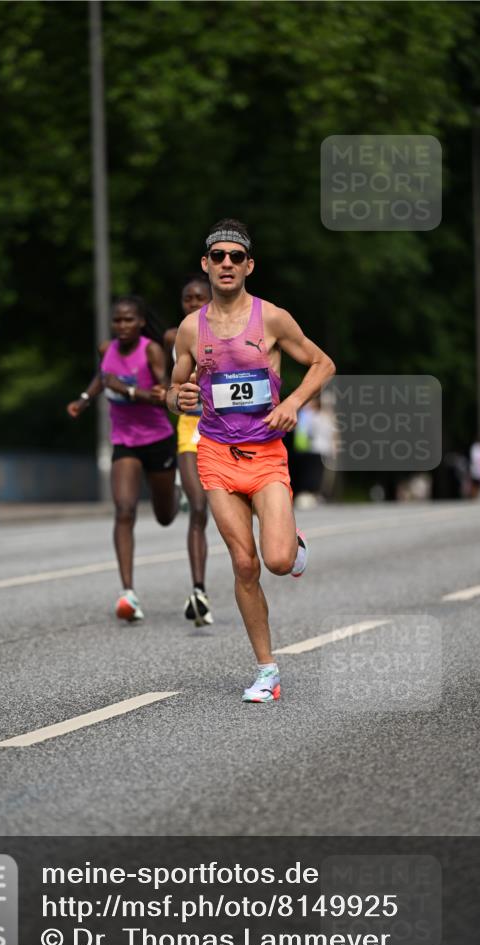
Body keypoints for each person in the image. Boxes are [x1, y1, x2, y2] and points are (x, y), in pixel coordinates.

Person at [168, 219, 335, 702]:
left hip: (265, 456)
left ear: (249, 266)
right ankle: (267, 671)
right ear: (206, 264)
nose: (227, 263)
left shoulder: (273, 319)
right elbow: (174, 390)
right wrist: (178, 398)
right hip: (216, 454)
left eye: (236, 257)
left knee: (277, 561)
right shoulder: (190, 329)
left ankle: (293, 543)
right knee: (245, 564)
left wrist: (293, 403)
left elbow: (323, 364)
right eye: (218, 256)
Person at [68, 295, 178, 622]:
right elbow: (103, 376)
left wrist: (128, 391)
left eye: (129, 320)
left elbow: (162, 398)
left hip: (157, 439)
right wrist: (84, 399)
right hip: (124, 441)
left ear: (141, 322)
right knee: (125, 509)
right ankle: (127, 592)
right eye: (117, 320)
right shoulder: (107, 349)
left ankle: (176, 493)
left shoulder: (151, 351)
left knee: (164, 516)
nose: (122, 325)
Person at [164, 274, 214, 626]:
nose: (193, 303)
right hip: (189, 429)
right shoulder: (174, 337)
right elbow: (166, 379)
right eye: (188, 298)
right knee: (198, 507)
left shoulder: (229, 332)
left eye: (200, 298)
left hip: (227, 429)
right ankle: (199, 591)